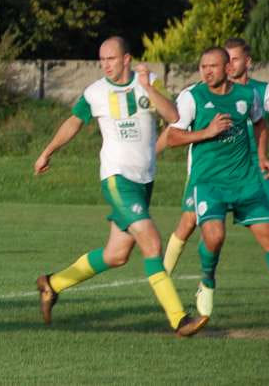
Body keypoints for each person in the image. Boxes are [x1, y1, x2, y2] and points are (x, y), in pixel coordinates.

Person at [33, 36, 208, 337]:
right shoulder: (95, 92)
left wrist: (149, 87)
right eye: (102, 60)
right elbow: (73, 122)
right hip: (116, 179)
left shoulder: (149, 81)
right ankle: (180, 319)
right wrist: (47, 151)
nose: (105, 65)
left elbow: (175, 117)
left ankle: (53, 284)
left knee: (116, 254)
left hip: (144, 181)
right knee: (151, 243)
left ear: (127, 58)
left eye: (111, 59)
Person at [164, 47, 269, 325]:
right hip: (208, 182)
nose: (207, 71)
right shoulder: (191, 97)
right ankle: (207, 283)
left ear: (227, 69)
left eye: (213, 66)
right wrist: (207, 132)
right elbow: (172, 137)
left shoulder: (248, 95)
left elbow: (260, 124)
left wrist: (261, 156)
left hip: (245, 181)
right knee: (214, 236)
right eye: (203, 66)